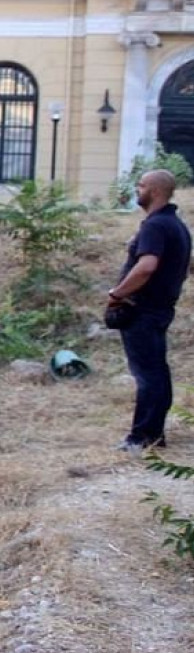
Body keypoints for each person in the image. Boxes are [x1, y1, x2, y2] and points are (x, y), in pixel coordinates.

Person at [108, 169, 192, 453]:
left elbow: (146, 267)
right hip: (160, 309)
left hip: (142, 310)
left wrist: (118, 294)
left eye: (141, 185)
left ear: (155, 191)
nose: (137, 189)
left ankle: (142, 437)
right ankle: (154, 433)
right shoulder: (177, 226)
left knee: (148, 375)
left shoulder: (155, 226)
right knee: (157, 372)